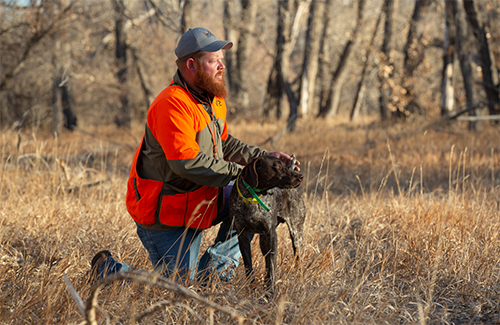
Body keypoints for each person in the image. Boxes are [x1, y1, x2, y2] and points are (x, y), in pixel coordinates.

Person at [90, 27, 299, 284]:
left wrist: (263, 157)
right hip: (167, 213)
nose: (222, 66)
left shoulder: (212, 99)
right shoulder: (171, 104)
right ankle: (109, 270)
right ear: (192, 64)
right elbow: (186, 162)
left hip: (202, 199)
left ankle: (215, 270)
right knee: (179, 287)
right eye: (214, 61)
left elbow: (225, 144)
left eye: (222, 60)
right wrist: (243, 173)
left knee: (255, 203)